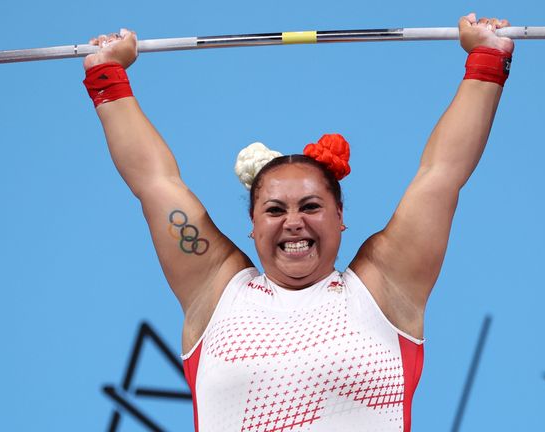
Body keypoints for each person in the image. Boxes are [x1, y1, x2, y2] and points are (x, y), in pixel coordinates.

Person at [83, 13, 514, 431]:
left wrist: (487, 60)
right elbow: (154, 182)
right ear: (251, 224)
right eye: (274, 210)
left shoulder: (385, 287)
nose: (293, 222)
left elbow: (442, 174)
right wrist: (107, 77)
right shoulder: (215, 291)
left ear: (340, 217)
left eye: (310, 207)